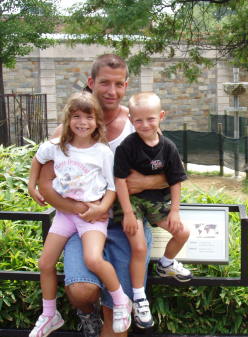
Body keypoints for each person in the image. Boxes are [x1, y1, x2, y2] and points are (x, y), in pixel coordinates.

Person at [37, 54, 167, 337]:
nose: (111, 91)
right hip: (81, 223)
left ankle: (112, 311)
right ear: (91, 82)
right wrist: (81, 208)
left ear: (126, 85)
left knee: (117, 316)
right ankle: (87, 312)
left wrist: (137, 182)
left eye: (118, 84)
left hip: (126, 226)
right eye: (105, 83)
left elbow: (170, 174)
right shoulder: (70, 128)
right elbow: (45, 183)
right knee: (82, 290)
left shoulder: (139, 125)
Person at [28, 91, 133, 337]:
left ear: (97, 121)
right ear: (68, 119)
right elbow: (37, 158)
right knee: (45, 263)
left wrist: (102, 208)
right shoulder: (57, 147)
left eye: (88, 117)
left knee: (93, 259)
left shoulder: (102, 152)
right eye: (76, 116)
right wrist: (31, 185)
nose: (82, 122)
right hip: (65, 216)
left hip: (92, 216)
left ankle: (121, 301)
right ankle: (50, 313)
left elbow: (112, 186)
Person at [113, 92, 192, 293]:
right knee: (139, 247)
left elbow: (175, 181)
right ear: (131, 120)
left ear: (161, 116)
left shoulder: (168, 147)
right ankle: (139, 296)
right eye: (138, 120)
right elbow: (120, 181)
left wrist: (175, 211)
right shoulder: (127, 147)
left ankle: (165, 264)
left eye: (150, 119)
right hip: (132, 203)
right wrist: (128, 214)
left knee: (182, 233)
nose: (145, 124)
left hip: (156, 202)